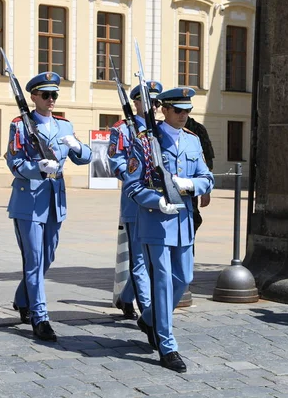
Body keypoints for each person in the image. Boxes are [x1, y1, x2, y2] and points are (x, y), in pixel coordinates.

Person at [125, 87, 214, 373]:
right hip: (155, 222)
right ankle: (167, 345)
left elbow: (206, 177)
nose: (184, 116)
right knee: (162, 282)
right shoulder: (145, 141)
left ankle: (149, 317)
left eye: (187, 111)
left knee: (184, 277)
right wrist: (157, 200)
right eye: (178, 110)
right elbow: (133, 185)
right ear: (163, 109)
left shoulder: (192, 140)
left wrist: (192, 186)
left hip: (183, 220)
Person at [4, 71, 92, 341]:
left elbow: (85, 158)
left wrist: (77, 146)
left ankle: (23, 298)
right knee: (34, 260)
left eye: (54, 94)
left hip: (55, 201)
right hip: (28, 202)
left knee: (48, 257)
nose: (51, 99)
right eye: (46, 94)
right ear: (33, 97)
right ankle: (39, 316)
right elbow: (14, 162)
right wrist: (38, 168)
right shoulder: (20, 125)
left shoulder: (64, 126)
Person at [107, 80, 163, 319]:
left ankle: (126, 297)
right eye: (148, 101)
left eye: (157, 102)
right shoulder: (122, 129)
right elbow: (116, 162)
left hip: (160, 201)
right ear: (136, 102)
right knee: (139, 258)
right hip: (135, 200)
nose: (154, 106)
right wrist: (136, 177)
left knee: (151, 258)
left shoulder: (161, 128)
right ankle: (149, 313)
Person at [184, 117, 215, 234]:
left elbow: (207, 160)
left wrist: (206, 191)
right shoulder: (158, 130)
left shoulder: (197, 129)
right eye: (177, 110)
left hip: (190, 190)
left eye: (186, 110)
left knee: (192, 221)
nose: (182, 114)